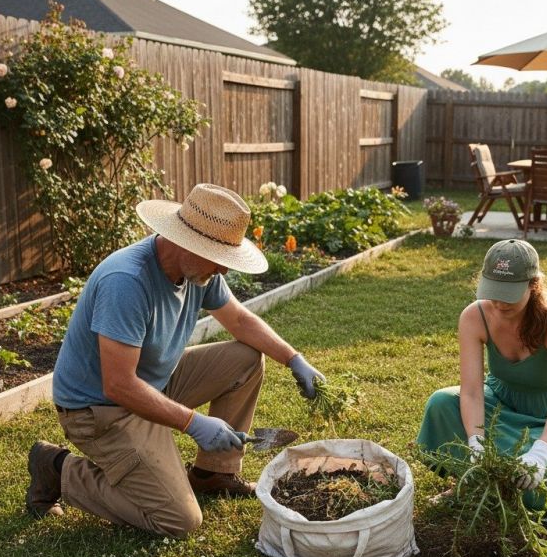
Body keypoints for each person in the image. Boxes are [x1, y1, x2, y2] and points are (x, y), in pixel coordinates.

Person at [26, 183, 325, 538]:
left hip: (152, 381)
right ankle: (57, 469)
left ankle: (213, 472)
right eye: (219, 259)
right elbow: (118, 384)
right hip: (100, 410)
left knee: (244, 359)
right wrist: (193, 423)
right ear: (187, 242)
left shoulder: (198, 271)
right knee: (179, 519)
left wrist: (293, 358)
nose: (224, 272)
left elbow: (240, 321)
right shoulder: (126, 281)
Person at [417, 239, 547, 501]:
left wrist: (540, 453)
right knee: (441, 403)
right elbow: (473, 393)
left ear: (534, 285)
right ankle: (472, 482)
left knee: (537, 497)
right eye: (493, 290)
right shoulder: (474, 316)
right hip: (503, 401)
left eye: (508, 293)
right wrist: (475, 442)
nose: (499, 302)